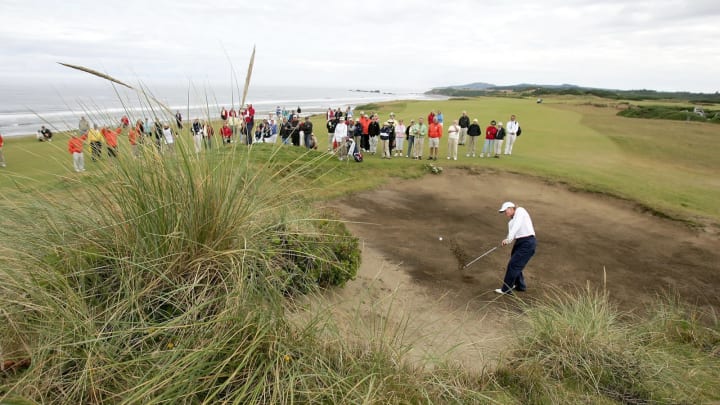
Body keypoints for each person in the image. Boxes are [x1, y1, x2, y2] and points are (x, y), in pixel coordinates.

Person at [496, 202, 536, 295]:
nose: (505, 213)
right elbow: (513, 232)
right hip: (520, 243)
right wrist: (507, 239)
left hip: (528, 242)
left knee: (513, 265)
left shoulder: (520, 211)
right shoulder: (510, 222)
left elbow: (517, 226)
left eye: (505, 211)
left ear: (511, 208)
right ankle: (520, 286)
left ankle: (506, 289)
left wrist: (509, 239)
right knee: (516, 264)